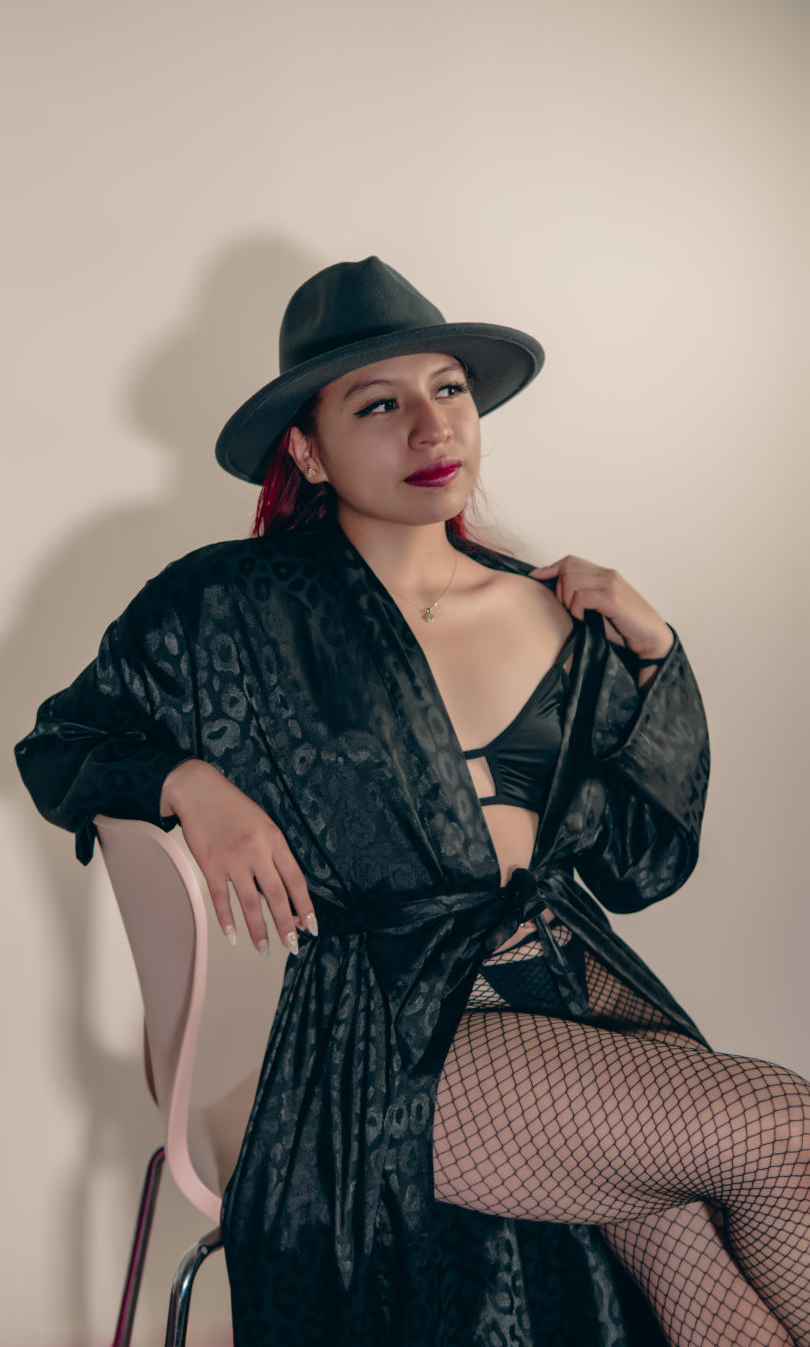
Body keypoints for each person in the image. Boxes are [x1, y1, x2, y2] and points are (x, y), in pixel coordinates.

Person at [14, 256, 810, 1347]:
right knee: (783, 1130)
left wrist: (654, 657)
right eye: (379, 405)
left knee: (705, 1275)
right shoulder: (230, 607)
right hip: (384, 1036)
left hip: (568, 989)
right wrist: (187, 783)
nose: (433, 429)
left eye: (449, 391)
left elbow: (639, 865)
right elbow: (61, 741)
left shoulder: (550, 609)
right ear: (308, 449)